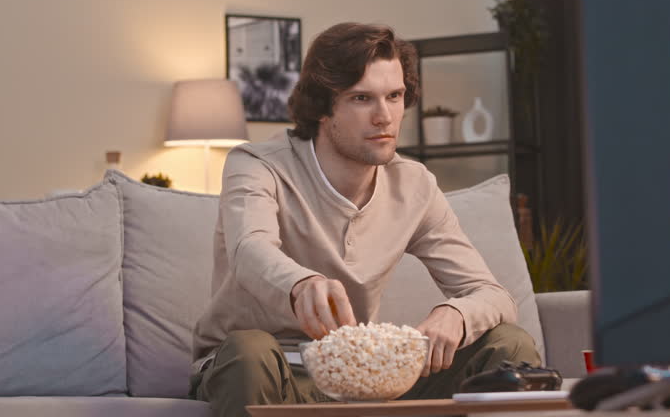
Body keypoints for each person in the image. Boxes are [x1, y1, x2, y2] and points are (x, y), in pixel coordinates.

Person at [190, 22, 540, 417]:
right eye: (361, 98)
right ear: (323, 107)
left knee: (509, 345)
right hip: (272, 373)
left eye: (394, 96)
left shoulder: (415, 185)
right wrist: (301, 284)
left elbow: (493, 295)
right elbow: (248, 248)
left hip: (364, 381)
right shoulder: (254, 165)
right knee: (248, 351)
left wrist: (456, 313)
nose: (384, 117)